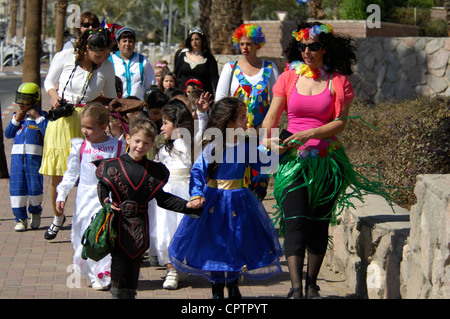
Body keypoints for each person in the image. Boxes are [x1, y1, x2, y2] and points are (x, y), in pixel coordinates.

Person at [262, 21, 392, 299]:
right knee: (295, 221)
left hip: (325, 163)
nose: (307, 51)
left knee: (318, 223)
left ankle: (312, 283)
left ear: (325, 48)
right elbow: (270, 119)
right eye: (303, 46)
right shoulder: (288, 77)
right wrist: (268, 140)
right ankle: (296, 289)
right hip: (293, 163)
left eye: (313, 46)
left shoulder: (338, 81)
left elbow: (340, 123)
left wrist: (310, 132)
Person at [169, 97, 283, 299]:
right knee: (215, 241)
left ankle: (232, 284)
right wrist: (196, 193)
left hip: (239, 200)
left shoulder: (247, 145)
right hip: (213, 202)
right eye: (242, 117)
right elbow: (197, 171)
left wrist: (277, 153)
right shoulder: (213, 146)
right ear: (229, 121)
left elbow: (262, 164)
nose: (247, 122)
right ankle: (216, 288)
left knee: (235, 239)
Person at [94, 118, 202, 299]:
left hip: (140, 231)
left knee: (133, 274)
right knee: (118, 270)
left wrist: (187, 206)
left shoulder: (154, 171)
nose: (140, 146)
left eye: (146, 143)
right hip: (118, 227)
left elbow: (162, 199)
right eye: (137, 141)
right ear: (128, 139)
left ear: (152, 144)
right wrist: (105, 201)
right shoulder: (112, 166)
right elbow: (104, 186)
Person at [40, 27, 117, 240]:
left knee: (89, 174)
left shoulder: (107, 67)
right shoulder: (65, 57)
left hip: (88, 119)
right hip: (61, 120)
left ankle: (89, 219)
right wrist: (54, 96)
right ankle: (57, 218)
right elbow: (48, 82)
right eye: (98, 55)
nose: (102, 59)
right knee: (57, 174)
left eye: (105, 55)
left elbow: (110, 97)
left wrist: (95, 106)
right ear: (87, 48)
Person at [55, 103, 126, 290]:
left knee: (104, 233)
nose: (85, 131)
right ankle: (93, 272)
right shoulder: (80, 147)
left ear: (103, 127)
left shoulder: (116, 146)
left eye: (89, 128)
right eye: (83, 127)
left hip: (107, 198)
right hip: (85, 197)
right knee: (85, 233)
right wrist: (61, 194)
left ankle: (105, 273)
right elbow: (71, 173)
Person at [215, 23, 279, 201]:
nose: (245, 47)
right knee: (236, 184)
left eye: (249, 43)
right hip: (235, 137)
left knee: (260, 184)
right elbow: (220, 102)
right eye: (242, 43)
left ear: (258, 44)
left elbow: (277, 103)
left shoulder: (270, 68)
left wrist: (265, 130)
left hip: (263, 137)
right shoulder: (230, 68)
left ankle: (256, 224)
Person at [149, 100, 194, 290]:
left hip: (183, 191)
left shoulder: (190, 144)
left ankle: (179, 265)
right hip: (165, 193)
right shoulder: (163, 147)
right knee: (165, 230)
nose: (162, 127)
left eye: (166, 122)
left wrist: (201, 112)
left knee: (181, 229)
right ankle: (171, 268)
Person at [5, 83, 48, 232]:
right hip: (17, 160)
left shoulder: (43, 116)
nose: (21, 103)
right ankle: (20, 219)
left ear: (34, 100)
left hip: (34, 159)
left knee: (35, 188)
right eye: (19, 99)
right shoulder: (17, 117)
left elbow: (47, 134)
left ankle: (35, 212)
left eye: (25, 99)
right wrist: (16, 119)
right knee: (17, 190)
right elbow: (8, 134)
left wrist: (38, 118)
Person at [109, 27, 156, 100]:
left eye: (130, 41)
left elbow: (150, 84)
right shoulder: (110, 61)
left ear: (134, 44)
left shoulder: (143, 61)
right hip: (117, 105)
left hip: (138, 105)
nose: (127, 44)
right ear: (118, 43)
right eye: (124, 41)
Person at [174, 27, 219, 96]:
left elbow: (215, 80)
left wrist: (217, 96)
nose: (194, 42)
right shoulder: (183, 55)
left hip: (202, 96)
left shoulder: (209, 58)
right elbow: (176, 75)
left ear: (202, 40)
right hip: (184, 95)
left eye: (197, 39)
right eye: (192, 40)